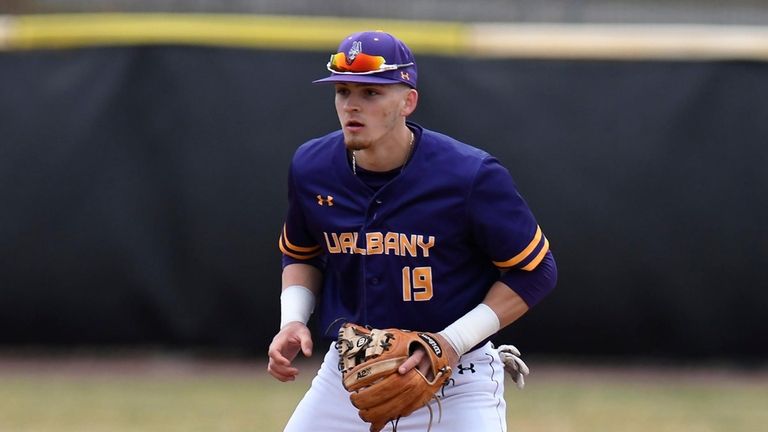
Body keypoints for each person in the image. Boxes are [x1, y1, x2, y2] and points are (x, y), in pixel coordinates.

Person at [267, 30, 557, 432]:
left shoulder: (469, 175)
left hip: (455, 380)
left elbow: (536, 270)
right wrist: (293, 319)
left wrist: (453, 342)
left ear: (408, 100)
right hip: (350, 374)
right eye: (343, 90)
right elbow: (301, 253)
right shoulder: (311, 167)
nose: (352, 105)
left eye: (371, 93)